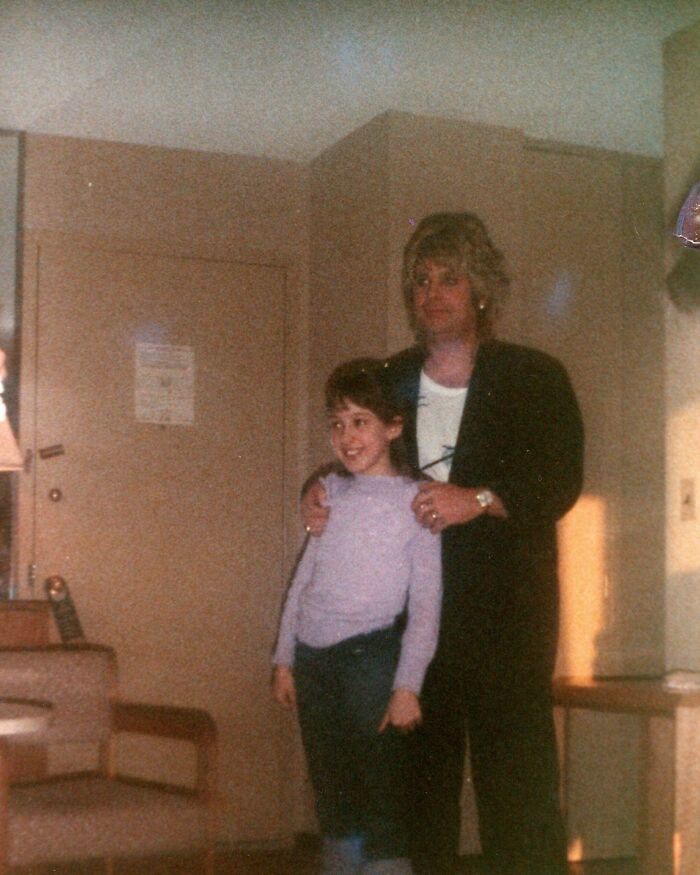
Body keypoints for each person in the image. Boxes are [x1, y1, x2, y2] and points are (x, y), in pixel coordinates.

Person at [302, 213, 584, 875]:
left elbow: (561, 480)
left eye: (450, 277)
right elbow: (351, 455)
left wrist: (478, 498)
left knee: (520, 800)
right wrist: (312, 490)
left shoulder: (535, 376)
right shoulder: (390, 377)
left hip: (508, 622)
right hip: (410, 631)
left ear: (480, 288)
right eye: (422, 279)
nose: (434, 291)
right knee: (417, 801)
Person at [273, 357, 442, 875]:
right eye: (337, 423)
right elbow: (303, 581)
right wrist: (283, 658)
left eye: (361, 421)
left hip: (371, 660)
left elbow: (427, 606)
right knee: (331, 788)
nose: (346, 436)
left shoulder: (416, 502)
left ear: (393, 426)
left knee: (380, 789)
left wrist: (408, 685)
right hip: (313, 659)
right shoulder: (330, 494)